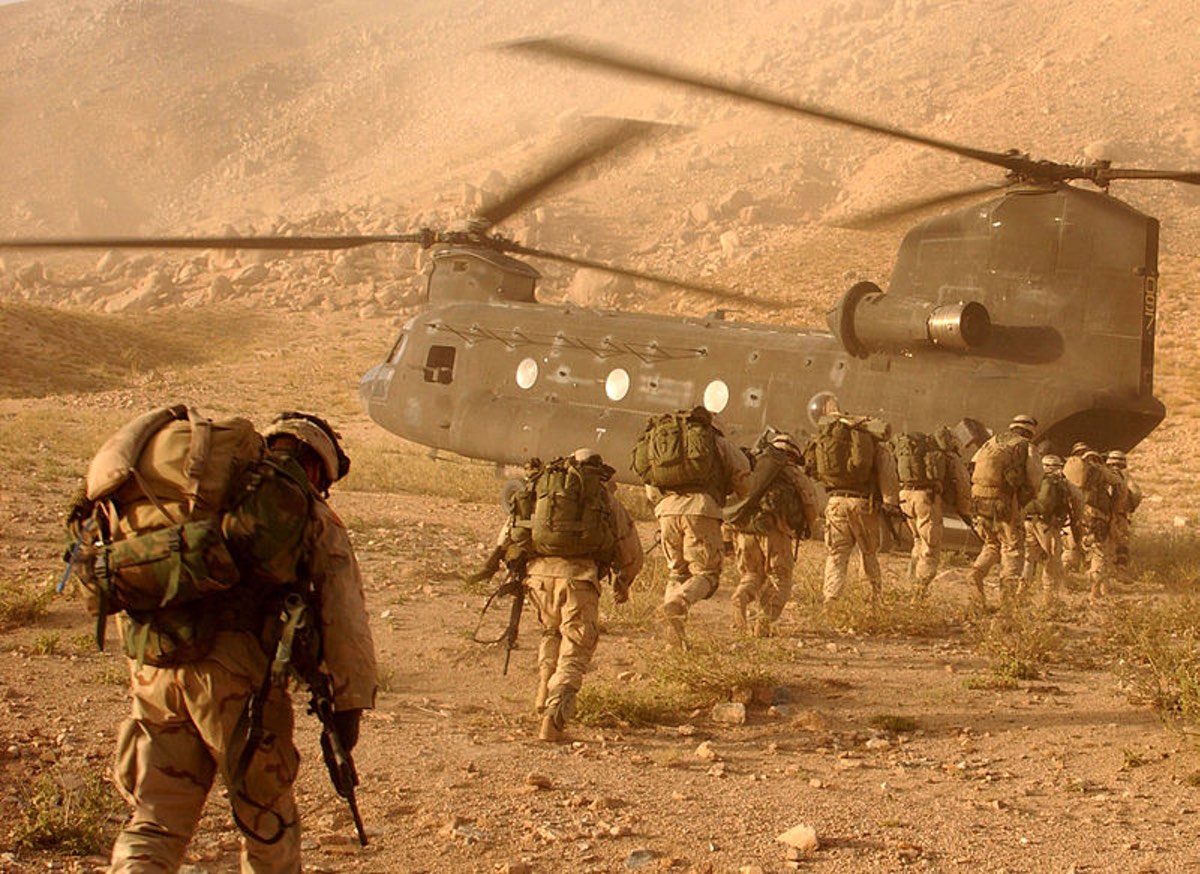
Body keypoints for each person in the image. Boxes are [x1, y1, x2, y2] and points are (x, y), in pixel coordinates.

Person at [108, 411, 377, 873]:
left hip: (155, 666)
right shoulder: (299, 506)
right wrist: (350, 705)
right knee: (266, 821)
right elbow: (343, 616)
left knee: (155, 821)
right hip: (234, 685)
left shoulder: (198, 493)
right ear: (315, 465)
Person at [499, 448, 644, 742]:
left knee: (550, 631)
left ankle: (542, 692)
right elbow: (631, 551)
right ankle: (553, 721)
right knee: (576, 651)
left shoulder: (541, 490)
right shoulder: (603, 499)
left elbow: (507, 536)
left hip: (538, 580)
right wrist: (624, 582)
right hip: (578, 580)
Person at [640, 406, 750, 649]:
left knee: (677, 572)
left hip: (666, 510)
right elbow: (743, 477)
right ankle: (680, 601)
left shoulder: (664, 440)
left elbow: (650, 485)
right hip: (701, 509)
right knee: (707, 574)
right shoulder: (718, 441)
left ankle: (675, 639)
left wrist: (665, 506)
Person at [725, 433, 819, 636]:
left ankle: (740, 596)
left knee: (751, 575)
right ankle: (763, 623)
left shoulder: (753, 467)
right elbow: (810, 503)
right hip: (775, 531)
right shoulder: (791, 471)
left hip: (744, 531)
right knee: (781, 578)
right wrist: (807, 527)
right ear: (793, 453)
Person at [806, 411, 900, 604]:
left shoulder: (829, 441)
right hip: (863, 504)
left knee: (836, 555)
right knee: (868, 553)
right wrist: (891, 503)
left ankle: (831, 599)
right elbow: (888, 474)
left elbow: (814, 470)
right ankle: (871, 601)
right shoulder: (874, 445)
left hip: (835, 502)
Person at [966, 414, 1042, 609]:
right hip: (1006, 504)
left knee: (991, 544)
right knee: (1013, 548)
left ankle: (975, 574)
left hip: (980, 503)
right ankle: (1006, 603)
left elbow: (972, 466)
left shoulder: (991, 443)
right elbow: (1035, 480)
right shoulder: (1027, 447)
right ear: (1030, 431)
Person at [894, 426, 971, 601]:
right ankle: (918, 594)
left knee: (918, 541)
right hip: (926, 499)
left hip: (905, 497)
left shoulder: (916, 453)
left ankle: (910, 584)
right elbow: (962, 485)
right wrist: (965, 510)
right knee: (930, 547)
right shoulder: (948, 456)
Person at [1019, 454, 1082, 606]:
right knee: (1053, 559)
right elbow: (1079, 500)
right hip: (1047, 526)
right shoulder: (1061, 482)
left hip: (1028, 522)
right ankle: (1049, 596)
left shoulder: (1032, 479)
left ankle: (1021, 591)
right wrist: (1076, 520)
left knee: (1029, 558)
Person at [1063, 445, 1123, 602]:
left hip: (1077, 516)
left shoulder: (1073, 472)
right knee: (1099, 553)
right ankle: (1094, 590)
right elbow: (1118, 483)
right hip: (1097, 517)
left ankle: (1061, 581)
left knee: (1071, 549)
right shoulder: (1100, 471)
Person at [1105, 449, 1142, 572]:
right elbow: (1136, 495)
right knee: (1121, 545)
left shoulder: (1103, 475)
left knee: (1104, 544)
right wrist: (1129, 507)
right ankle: (1120, 572)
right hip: (1120, 517)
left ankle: (1104, 571)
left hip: (1104, 516)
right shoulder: (1126, 477)